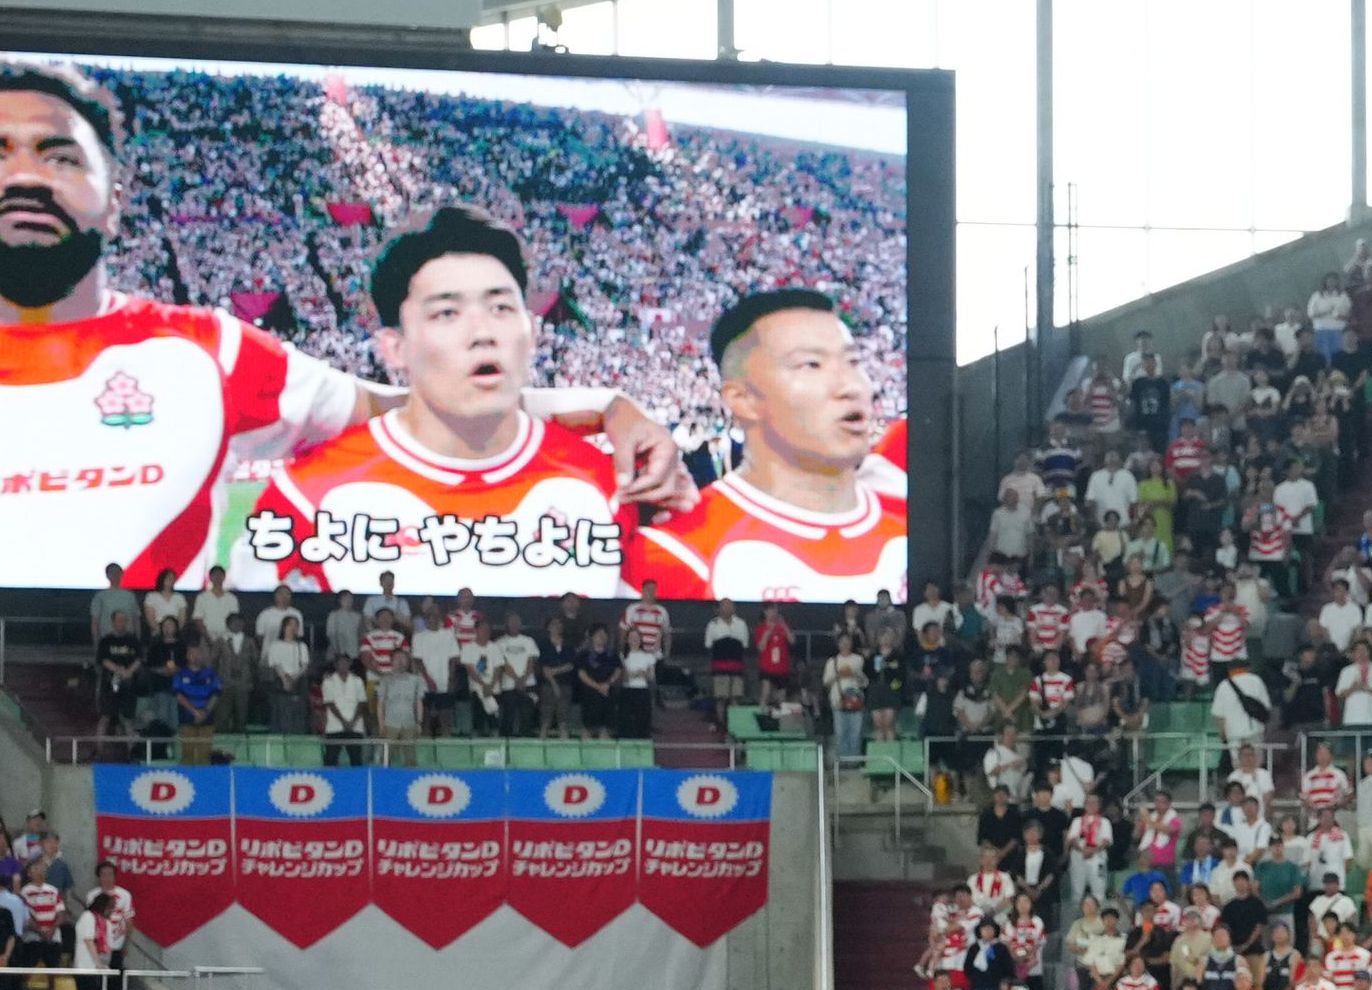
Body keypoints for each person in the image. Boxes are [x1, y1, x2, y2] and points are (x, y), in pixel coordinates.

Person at [0, 60, 684, 588]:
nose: (26, 176)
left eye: (59, 156)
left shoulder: (210, 350)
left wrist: (607, 407)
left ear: (114, 200)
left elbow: (415, 406)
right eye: (1, 151)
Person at [231, 205, 628, 595]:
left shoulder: (607, 491)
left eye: (501, 307)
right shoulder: (306, 503)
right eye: (447, 313)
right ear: (394, 347)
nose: (483, 332)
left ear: (532, 330)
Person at [623, 287, 907, 603]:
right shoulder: (674, 551)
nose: (851, 386)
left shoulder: (915, 525)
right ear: (742, 399)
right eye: (811, 365)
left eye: (854, 362)